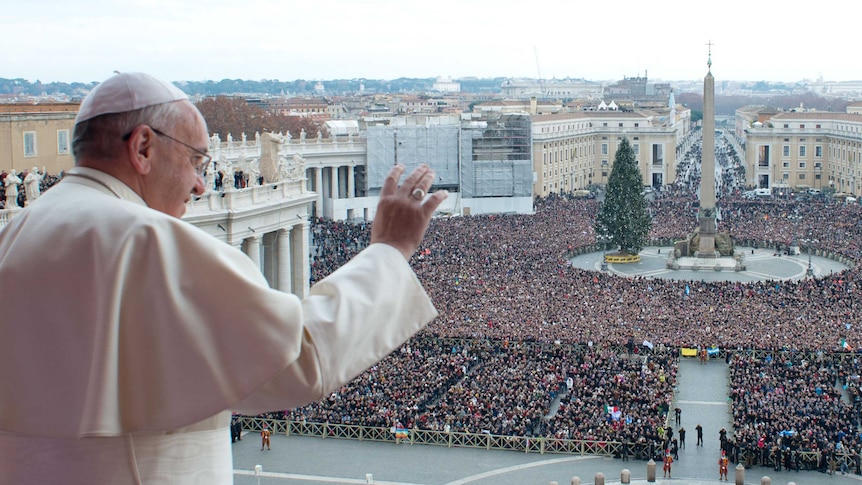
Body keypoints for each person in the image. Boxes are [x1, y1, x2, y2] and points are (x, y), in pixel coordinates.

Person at [0, 72, 447, 484]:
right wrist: (390, 249)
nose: (200, 185)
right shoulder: (149, 241)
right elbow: (299, 358)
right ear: (142, 149)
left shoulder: (13, 235)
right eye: (196, 160)